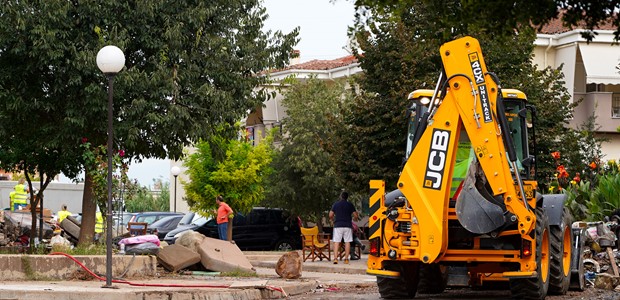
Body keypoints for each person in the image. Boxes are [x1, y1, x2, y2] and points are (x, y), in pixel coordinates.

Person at [329, 191, 359, 264]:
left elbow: (330, 215)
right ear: (347, 197)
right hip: (347, 225)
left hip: (338, 225)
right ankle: (346, 259)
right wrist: (355, 219)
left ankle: (335, 259)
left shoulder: (336, 204)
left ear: (340, 196)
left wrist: (332, 220)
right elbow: (355, 215)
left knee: (336, 242)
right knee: (347, 242)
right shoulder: (350, 205)